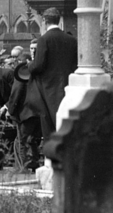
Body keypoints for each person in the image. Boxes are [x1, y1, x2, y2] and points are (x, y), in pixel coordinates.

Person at [26, 7, 77, 137]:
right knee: (65, 119)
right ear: (58, 20)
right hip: (67, 85)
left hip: (48, 87)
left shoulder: (44, 39)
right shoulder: (71, 39)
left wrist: (29, 65)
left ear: (44, 21)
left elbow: (38, 65)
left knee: (49, 124)